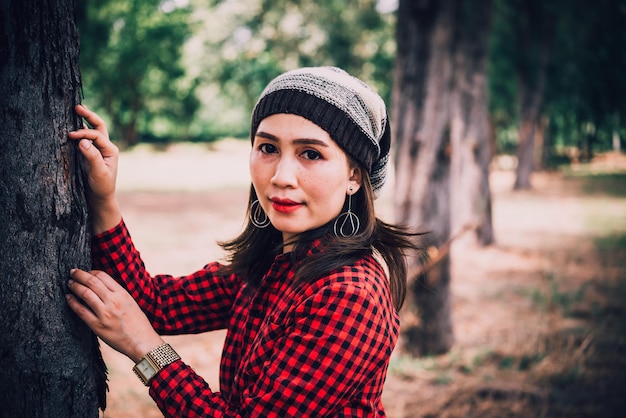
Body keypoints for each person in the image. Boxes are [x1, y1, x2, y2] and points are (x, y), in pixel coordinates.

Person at [66, 66, 421, 417]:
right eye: (268, 147)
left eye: (310, 153)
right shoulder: (275, 261)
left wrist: (146, 349)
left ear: (354, 176)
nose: (281, 177)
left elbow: (142, 323)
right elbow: (155, 304)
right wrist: (103, 198)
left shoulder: (349, 296)